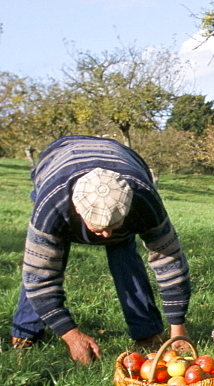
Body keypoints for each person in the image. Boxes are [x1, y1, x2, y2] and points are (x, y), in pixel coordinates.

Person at [11, 136, 191, 364]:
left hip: (123, 159)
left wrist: (178, 327)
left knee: (123, 250)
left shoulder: (145, 201)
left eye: (113, 225)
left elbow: (170, 262)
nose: (106, 235)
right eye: (100, 227)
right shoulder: (51, 207)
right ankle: (25, 333)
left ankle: (148, 333)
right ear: (77, 208)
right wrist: (71, 334)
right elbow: (39, 277)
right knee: (46, 259)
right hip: (57, 162)